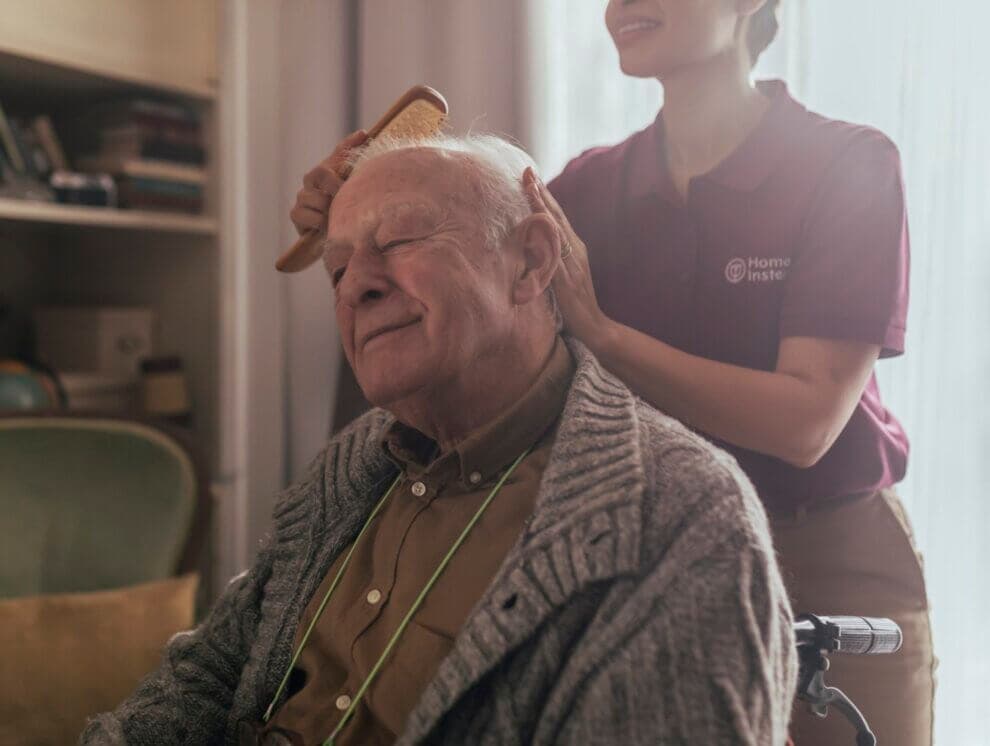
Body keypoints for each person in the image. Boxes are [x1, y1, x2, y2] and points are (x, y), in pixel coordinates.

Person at [288, 3, 933, 745]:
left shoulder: (847, 164)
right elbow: (479, 328)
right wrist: (369, 228)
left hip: (828, 549)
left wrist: (606, 337)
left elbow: (807, 423)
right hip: (656, 545)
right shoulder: (583, 191)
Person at [83, 135, 796, 745]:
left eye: (398, 240)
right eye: (336, 269)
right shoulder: (352, 465)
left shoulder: (679, 515)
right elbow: (211, 674)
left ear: (531, 262)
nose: (355, 286)